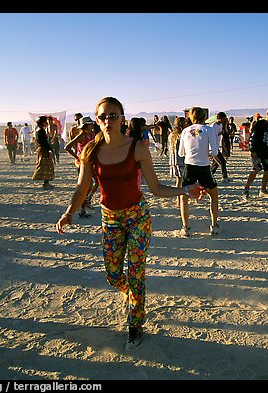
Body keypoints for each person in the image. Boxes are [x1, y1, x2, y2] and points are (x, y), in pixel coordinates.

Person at [55, 97, 204, 350]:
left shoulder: (137, 148)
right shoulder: (91, 151)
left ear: (122, 118)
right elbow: (82, 186)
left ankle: (135, 323)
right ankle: (132, 294)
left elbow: (155, 188)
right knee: (114, 276)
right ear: (97, 119)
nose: (108, 120)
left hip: (138, 218)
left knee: (135, 273)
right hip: (109, 219)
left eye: (113, 116)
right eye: (103, 116)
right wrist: (69, 211)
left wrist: (185, 189)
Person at [178, 106, 220, 236]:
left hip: (189, 166)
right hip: (204, 166)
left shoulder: (185, 131)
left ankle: (185, 227)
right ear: (204, 117)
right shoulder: (208, 129)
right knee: (213, 195)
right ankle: (214, 225)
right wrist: (204, 153)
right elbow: (214, 151)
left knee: (184, 196)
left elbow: (181, 153)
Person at [242, 106, 268, 200]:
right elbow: (253, 137)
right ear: (267, 114)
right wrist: (252, 151)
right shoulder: (260, 124)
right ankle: (246, 189)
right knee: (256, 170)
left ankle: (263, 190)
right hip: (258, 151)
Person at [64, 116, 99, 218]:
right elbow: (68, 147)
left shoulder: (92, 134)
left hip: (91, 162)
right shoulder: (81, 136)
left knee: (96, 182)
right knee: (86, 186)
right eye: (90, 124)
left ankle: (87, 200)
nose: (92, 125)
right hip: (83, 164)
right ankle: (83, 209)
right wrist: (77, 157)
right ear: (86, 125)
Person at [32, 116, 55, 189]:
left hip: (41, 149)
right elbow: (44, 142)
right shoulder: (41, 131)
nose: (47, 123)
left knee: (45, 166)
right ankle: (46, 184)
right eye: (45, 122)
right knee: (47, 166)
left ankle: (46, 183)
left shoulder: (39, 130)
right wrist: (50, 149)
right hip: (44, 150)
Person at [208, 112, 230, 182]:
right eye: (224, 118)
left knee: (215, 164)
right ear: (220, 118)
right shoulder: (213, 126)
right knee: (222, 161)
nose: (225, 120)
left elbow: (221, 133)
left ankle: (209, 175)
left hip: (216, 147)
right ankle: (224, 177)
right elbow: (210, 138)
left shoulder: (220, 125)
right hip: (212, 148)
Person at [168, 116, 186, 196]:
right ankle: (181, 199)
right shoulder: (182, 134)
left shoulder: (171, 134)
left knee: (178, 181)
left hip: (173, 161)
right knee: (184, 182)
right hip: (181, 160)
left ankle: (178, 200)